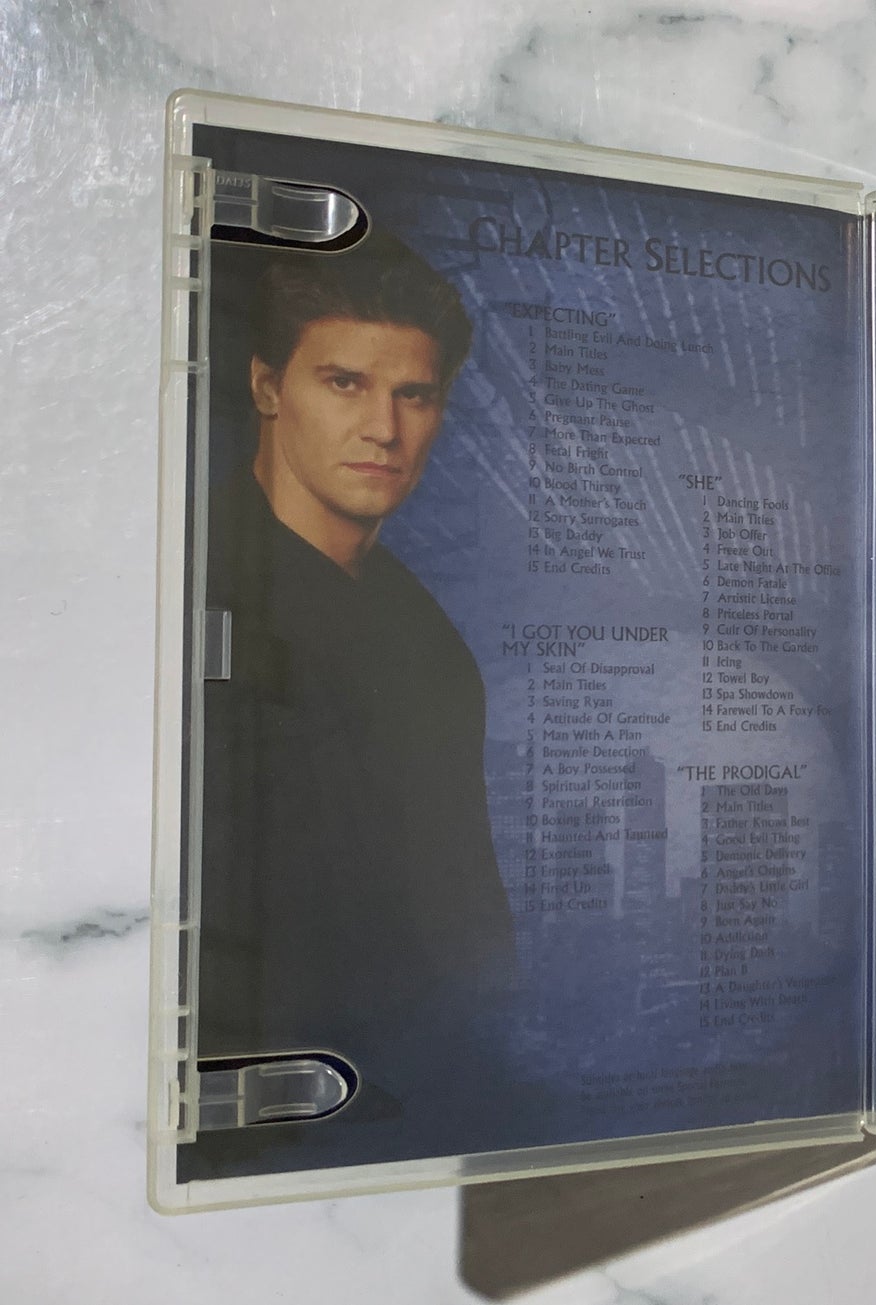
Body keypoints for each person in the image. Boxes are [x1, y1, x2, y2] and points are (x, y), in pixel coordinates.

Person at [191, 235, 515, 1170]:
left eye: (414, 394)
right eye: (344, 383)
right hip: (248, 1132)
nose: (384, 428)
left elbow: (466, 924)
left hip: (412, 1122)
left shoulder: (431, 642)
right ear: (266, 387)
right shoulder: (193, 576)